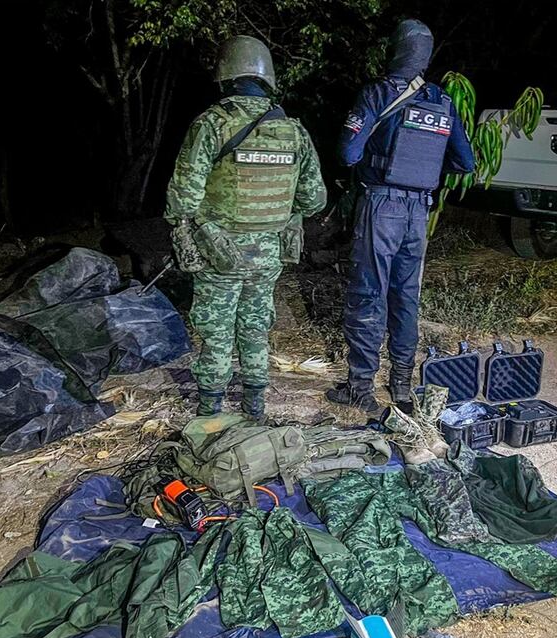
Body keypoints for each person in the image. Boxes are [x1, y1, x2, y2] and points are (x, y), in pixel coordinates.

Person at [165, 35, 326, 420]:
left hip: (218, 251)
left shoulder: (211, 125)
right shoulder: (293, 131)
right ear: (266, 77)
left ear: (225, 76)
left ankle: (210, 411)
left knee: (216, 332)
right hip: (268, 253)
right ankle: (254, 406)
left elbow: (183, 199)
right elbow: (314, 200)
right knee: (255, 327)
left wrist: (189, 227)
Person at [326, 19, 475, 414]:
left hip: (382, 206)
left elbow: (348, 154)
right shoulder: (440, 100)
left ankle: (361, 388)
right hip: (418, 210)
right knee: (406, 298)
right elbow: (465, 162)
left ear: (396, 49)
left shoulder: (377, 93)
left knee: (368, 293)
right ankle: (402, 388)